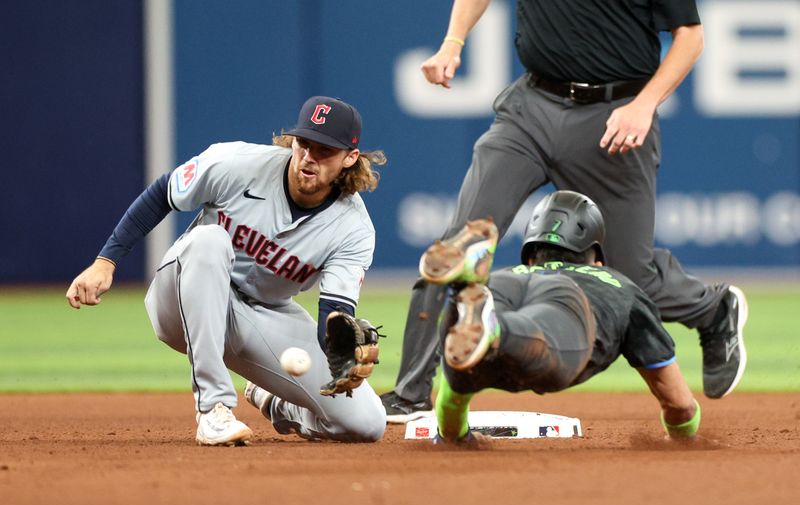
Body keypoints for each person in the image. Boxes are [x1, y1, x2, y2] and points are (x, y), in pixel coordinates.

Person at [381, 0, 748, 422]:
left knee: (629, 276)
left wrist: (645, 105)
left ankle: (713, 309)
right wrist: (452, 42)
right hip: (531, 108)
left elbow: (691, 37)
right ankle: (412, 393)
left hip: (615, 115)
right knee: (459, 245)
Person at [66, 96, 388, 445]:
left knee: (366, 423)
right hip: (181, 299)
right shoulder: (237, 163)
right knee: (210, 240)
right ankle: (213, 409)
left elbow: (333, 312)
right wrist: (105, 262)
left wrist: (341, 341)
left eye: (324, 150)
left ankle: (278, 404)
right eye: (303, 144)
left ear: (350, 158)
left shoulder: (353, 227)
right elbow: (163, 193)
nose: (309, 157)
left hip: (261, 316)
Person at [420, 191, 711, 444]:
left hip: (498, 286)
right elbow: (680, 405)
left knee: (468, 336)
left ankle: (463, 285)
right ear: (596, 258)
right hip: (563, 301)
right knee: (539, 334)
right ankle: (496, 330)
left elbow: (453, 392)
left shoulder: (509, 276)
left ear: (531, 256)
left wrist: (455, 436)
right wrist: (683, 436)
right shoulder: (616, 285)